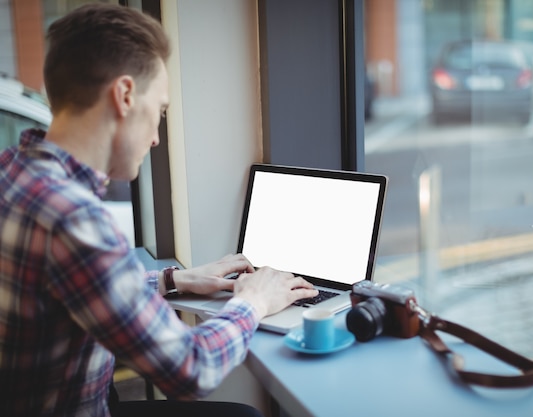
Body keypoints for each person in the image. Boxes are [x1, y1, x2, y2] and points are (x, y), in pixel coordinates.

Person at [0, 3, 318, 417]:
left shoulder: (13, 169)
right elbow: (191, 370)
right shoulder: (74, 218)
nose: (155, 138)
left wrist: (173, 279)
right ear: (125, 95)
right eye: (160, 112)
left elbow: (73, 287)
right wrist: (254, 301)